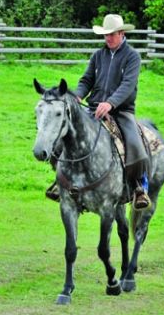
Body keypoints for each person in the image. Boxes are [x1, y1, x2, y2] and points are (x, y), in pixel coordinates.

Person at [47, 13, 151, 210]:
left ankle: (138, 187)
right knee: (65, 136)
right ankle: (60, 182)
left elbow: (128, 85)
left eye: (111, 34)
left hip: (121, 111)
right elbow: (87, 80)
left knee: (134, 143)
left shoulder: (132, 57)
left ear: (121, 33)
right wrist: (78, 95)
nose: (108, 38)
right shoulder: (98, 55)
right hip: (94, 108)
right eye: (105, 35)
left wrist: (111, 103)